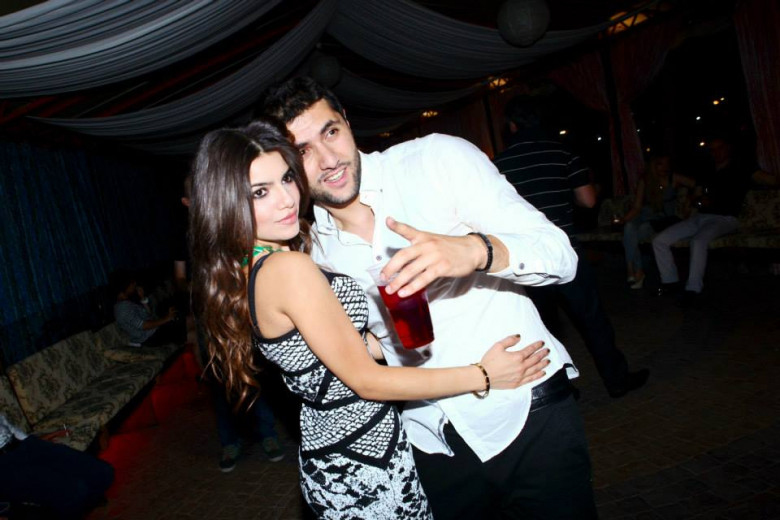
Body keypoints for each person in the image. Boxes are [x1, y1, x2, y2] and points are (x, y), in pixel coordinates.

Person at [261, 77, 597, 519]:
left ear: (347, 122)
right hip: (429, 442)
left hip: (526, 411)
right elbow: (369, 344)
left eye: (331, 132)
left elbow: (561, 256)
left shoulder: (435, 160)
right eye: (303, 151)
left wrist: (475, 251)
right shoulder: (314, 251)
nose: (328, 160)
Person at [188, 118, 550, 519]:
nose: (287, 199)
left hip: (339, 456)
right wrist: (483, 375)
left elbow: (322, 358)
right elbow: (366, 381)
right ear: (227, 203)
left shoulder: (251, 266)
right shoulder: (287, 268)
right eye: (260, 192)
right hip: (362, 463)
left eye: (287, 178)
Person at [494, 94, 649, 400]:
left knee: (542, 326)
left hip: (527, 257)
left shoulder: (499, 164)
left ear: (512, 126)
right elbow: (588, 200)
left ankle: (561, 389)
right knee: (592, 319)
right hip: (564, 250)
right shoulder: (562, 151)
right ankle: (617, 380)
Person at [174, 176, 285, 471]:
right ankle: (229, 443)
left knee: (254, 371)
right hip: (208, 317)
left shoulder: (229, 226)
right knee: (219, 379)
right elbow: (180, 279)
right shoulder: (184, 238)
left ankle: (268, 435)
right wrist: (201, 288)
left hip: (240, 310)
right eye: (196, 194)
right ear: (187, 202)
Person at [653, 135, 774, 300]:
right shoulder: (707, 171)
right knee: (659, 240)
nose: (717, 152)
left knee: (698, 241)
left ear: (728, 148)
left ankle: (693, 289)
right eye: (713, 149)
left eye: (720, 148)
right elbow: (697, 197)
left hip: (725, 218)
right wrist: (698, 201)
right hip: (700, 217)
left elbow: (769, 179)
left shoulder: (741, 167)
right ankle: (670, 282)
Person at [0, 414, 114, 519]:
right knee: (74, 490)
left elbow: (7, 425)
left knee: (103, 472)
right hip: (4, 465)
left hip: (23, 445)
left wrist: (34, 440)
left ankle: (83, 505)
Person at [619, 155, 694, 289]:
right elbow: (637, 207)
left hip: (660, 220)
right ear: (653, 166)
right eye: (660, 164)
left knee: (635, 234)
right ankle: (634, 269)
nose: (664, 167)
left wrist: (690, 201)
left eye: (666, 164)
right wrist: (623, 220)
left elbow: (695, 184)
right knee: (629, 227)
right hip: (643, 216)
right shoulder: (645, 181)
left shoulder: (672, 178)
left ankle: (635, 271)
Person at [113, 271, 179, 347]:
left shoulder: (127, 301)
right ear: (125, 286)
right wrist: (167, 318)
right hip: (148, 338)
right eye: (132, 283)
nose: (134, 284)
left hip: (153, 331)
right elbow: (144, 326)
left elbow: (148, 315)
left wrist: (142, 297)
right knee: (182, 326)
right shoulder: (122, 308)